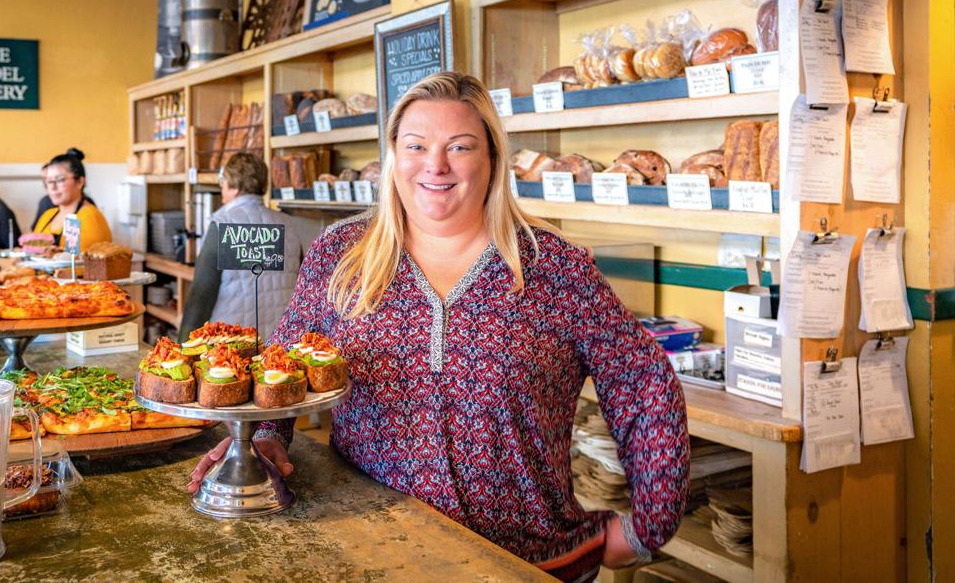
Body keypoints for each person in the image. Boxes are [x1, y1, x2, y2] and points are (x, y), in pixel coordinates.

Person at [188, 73, 689, 581]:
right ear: (393, 157)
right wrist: (268, 436)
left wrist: (648, 527)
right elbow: (286, 361)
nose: (436, 164)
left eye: (460, 146)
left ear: (491, 158)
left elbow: (641, 380)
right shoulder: (340, 255)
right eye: (416, 145)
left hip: (527, 563)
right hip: (366, 553)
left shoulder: (554, 266)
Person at [178, 152, 303, 339]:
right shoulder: (289, 225)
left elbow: (201, 296)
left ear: (234, 186)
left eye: (223, 182)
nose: (221, 189)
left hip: (230, 346)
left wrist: (183, 344)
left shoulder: (222, 225)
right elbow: (300, 285)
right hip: (278, 345)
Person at [31, 148, 112, 249]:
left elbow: (76, 261)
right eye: (49, 181)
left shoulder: (88, 217)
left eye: (60, 180)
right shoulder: (48, 215)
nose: (52, 187)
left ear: (80, 182)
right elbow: (31, 250)